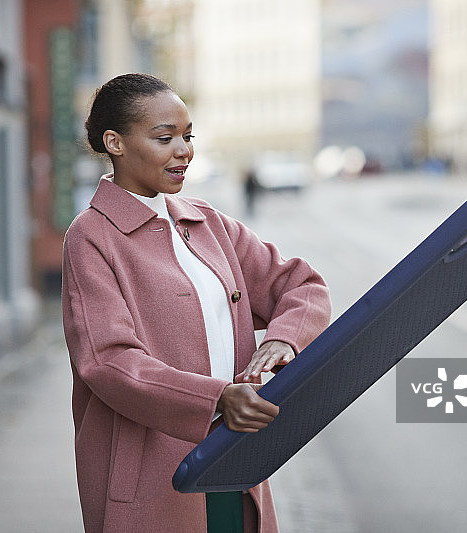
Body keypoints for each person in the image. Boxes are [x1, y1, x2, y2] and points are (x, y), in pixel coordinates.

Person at [61, 73, 331, 533]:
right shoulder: (91, 237)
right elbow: (106, 362)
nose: (183, 150)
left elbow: (302, 285)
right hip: (150, 474)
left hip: (234, 459)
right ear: (115, 143)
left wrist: (283, 342)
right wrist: (217, 399)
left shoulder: (207, 223)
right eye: (164, 138)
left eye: (187, 136)